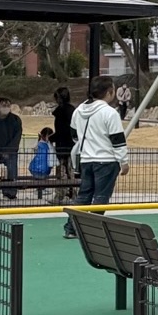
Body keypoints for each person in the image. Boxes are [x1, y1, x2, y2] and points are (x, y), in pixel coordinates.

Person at [64, 77, 129, 236]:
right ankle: (92, 229)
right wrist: (124, 161)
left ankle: (71, 228)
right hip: (106, 160)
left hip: (86, 159)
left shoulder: (79, 110)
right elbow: (117, 140)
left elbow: (74, 136)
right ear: (110, 92)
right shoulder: (110, 113)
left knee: (84, 195)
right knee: (101, 196)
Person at [50, 86, 77, 181]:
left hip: (62, 146)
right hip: (72, 146)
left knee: (62, 172)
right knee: (71, 170)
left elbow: (61, 131)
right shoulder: (72, 111)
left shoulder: (61, 112)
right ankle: (72, 188)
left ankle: (62, 189)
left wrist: (51, 138)